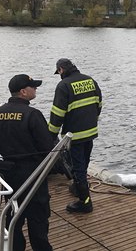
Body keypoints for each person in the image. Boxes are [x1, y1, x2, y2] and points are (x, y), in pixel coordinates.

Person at [0, 74, 54, 251]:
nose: (36, 89)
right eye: (33, 87)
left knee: (13, 213)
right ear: (23, 92)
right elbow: (47, 146)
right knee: (38, 217)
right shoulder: (32, 114)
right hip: (32, 171)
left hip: (7, 171)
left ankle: (15, 247)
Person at [49, 58, 102, 213]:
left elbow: (57, 113)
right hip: (91, 131)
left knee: (77, 167)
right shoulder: (90, 80)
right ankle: (78, 187)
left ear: (61, 70)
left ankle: (85, 202)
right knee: (84, 162)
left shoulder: (63, 85)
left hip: (75, 135)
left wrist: (51, 134)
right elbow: (99, 104)